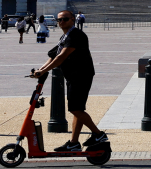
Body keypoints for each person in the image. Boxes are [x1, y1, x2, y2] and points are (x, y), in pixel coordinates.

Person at [32, 10, 107, 152]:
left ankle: (98, 134)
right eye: (58, 20)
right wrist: (40, 69)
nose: (61, 22)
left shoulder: (76, 35)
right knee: (78, 109)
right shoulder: (65, 37)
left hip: (81, 75)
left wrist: (43, 71)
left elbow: (61, 57)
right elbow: (53, 55)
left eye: (64, 19)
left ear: (73, 19)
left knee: (74, 108)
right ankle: (74, 143)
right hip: (74, 76)